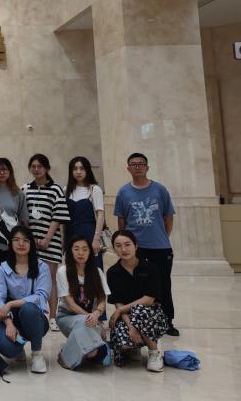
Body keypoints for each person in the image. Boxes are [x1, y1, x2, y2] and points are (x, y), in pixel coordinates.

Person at [114, 152, 178, 336]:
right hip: (136, 249)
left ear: (147, 167)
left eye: (141, 164)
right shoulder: (123, 192)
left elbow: (168, 217)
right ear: (128, 168)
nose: (137, 167)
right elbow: (121, 220)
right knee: (137, 286)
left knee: (163, 284)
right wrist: (126, 243)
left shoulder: (160, 190)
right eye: (133, 164)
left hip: (160, 247)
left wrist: (163, 236)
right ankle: (137, 320)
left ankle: (167, 320)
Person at [0, 225, 51, 373]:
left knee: (28, 308)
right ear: (10, 243)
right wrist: (8, 323)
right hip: (10, 317)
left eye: (25, 240)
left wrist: (11, 303)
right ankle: (18, 348)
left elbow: (41, 296)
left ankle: (37, 353)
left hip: (35, 318)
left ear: (31, 243)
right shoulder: (3, 268)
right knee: (7, 349)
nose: (21, 244)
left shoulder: (42, 267)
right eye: (16, 240)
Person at [107, 230, 169, 372]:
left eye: (127, 244)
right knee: (120, 339)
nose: (123, 249)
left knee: (140, 309)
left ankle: (154, 353)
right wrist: (130, 326)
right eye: (118, 246)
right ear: (114, 249)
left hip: (152, 316)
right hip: (127, 317)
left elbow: (148, 300)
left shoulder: (151, 268)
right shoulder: (112, 272)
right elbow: (118, 302)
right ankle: (133, 347)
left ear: (136, 246)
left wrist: (121, 310)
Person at [23, 153, 69, 331]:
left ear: (47, 168)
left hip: (51, 241)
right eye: (33, 166)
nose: (36, 169)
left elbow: (58, 216)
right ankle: (35, 314)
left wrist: (47, 238)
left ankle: (52, 317)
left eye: (40, 166)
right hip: (30, 242)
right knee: (30, 278)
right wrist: (31, 238)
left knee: (50, 279)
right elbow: (23, 216)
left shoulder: (56, 189)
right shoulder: (25, 189)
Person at [55, 234, 110, 370]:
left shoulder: (97, 272)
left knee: (92, 353)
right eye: (76, 249)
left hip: (89, 318)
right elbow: (70, 305)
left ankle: (70, 350)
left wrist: (97, 314)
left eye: (85, 249)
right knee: (86, 325)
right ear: (70, 251)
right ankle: (65, 358)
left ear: (90, 252)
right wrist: (94, 321)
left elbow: (102, 299)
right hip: (66, 317)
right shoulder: (63, 271)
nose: (81, 253)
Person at [0, 158, 29, 305]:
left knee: (13, 279)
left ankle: (11, 308)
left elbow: (23, 220)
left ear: (10, 172)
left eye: (5, 169)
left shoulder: (18, 193)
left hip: (13, 246)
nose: (2, 173)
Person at [64, 156, 106, 268]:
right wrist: (63, 241)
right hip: (70, 234)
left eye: (82, 168)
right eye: (75, 168)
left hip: (89, 233)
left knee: (93, 267)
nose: (78, 172)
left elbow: (100, 214)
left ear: (87, 170)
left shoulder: (94, 189)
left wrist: (96, 238)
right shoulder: (66, 190)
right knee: (72, 268)